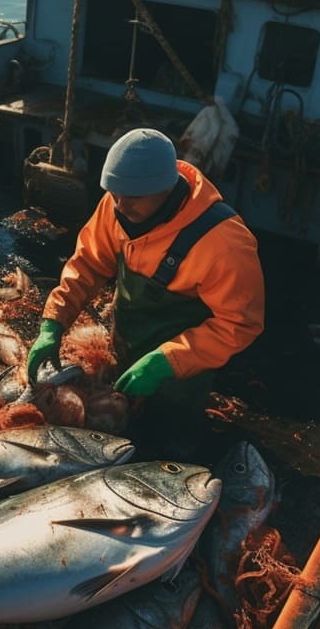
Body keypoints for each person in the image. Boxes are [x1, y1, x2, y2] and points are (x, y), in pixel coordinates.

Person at [26, 128, 264, 425]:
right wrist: (54, 322)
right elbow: (87, 263)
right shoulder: (118, 205)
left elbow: (240, 324)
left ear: (167, 188)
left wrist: (167, 362)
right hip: (127, 344)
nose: (121, 207)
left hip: (181, 372)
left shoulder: (225, 243)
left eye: (134, 198)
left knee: (172, 433)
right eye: (114, 194)